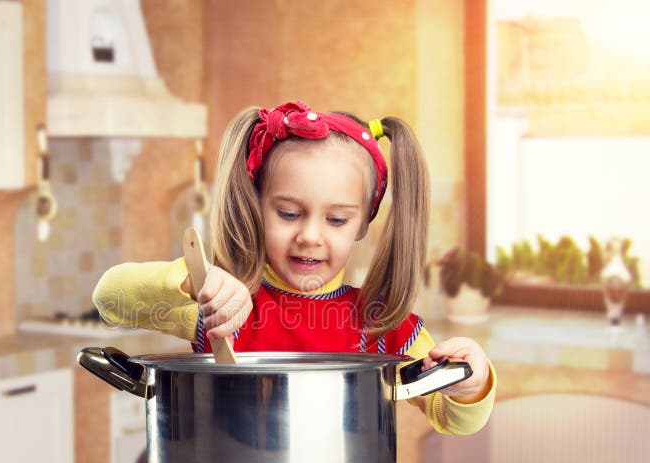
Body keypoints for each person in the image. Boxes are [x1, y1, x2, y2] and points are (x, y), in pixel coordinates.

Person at [93, 100, 495, 435]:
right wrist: (186, 280)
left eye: (336, 220)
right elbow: (109, 298)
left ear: (361, 225)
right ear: (258, 207)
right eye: (288, 213)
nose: (310, 236)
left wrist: (472, 384)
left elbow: (451, 420)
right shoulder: (220, 306)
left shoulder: (383, 326)